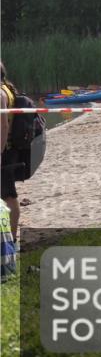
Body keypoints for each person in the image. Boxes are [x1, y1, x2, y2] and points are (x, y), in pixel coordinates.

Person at [1, 63, 22, 242]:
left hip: (5, 150)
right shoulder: (7, 89)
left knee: (9, 195)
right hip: (9, 149)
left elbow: (4, 125)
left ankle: (11, 239)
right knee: (8, 194)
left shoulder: (1, 93)